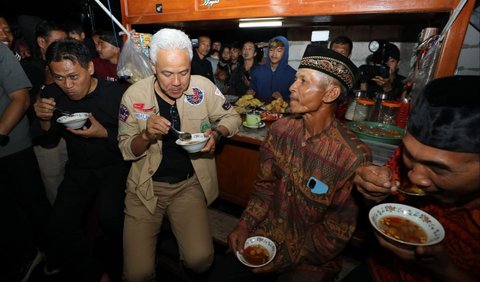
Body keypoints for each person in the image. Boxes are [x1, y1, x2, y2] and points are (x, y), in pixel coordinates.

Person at [209, 44, 371, 282]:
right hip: (266, 235)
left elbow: (336, 232)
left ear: (330, 93)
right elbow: (264, 187)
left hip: (312, 256)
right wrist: (245, 224)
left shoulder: (352, 156)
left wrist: (288, 255)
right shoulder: (280, 131)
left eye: (303, 81)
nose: (291, 87)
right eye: (296, 79)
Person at [118, 28, 241, 281]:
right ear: (153, 66)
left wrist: (217, 133)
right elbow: (125, 149)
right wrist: (146, 136)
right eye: (167, 73)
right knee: (137, 274)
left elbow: (232, 116)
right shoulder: (134, 96)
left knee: (200, 261)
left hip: (188, 186)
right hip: (145, 188)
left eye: (184, 72)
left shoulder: (203, 88)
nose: (177, 82)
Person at [351, 75, 479, 282]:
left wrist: (444, 270)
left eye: (439, 168)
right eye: (409, 155)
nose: (415, 176)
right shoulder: (408, 157)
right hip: (380, 270)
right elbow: (381, 206)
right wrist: (370, 192)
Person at [32, 39, 129, 281]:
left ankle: (125, 269)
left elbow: (136, 141)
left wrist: (104, 133)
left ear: (91, 68)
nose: (67, 85)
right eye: (59, 78)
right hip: (79, 169)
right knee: (59, 224)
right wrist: (44, 119)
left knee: (111, 219)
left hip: (114, 166)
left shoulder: (117, 94)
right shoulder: (52, 95)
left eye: (74, 76)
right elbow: (49, 137)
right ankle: (97, 275)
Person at [0, 42, 51, 282]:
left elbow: (21, 99)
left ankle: (53, 256)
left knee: (33, 205)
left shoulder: (1, 52)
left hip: (12, 146)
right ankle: (26, 255)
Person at [248, 36, 296, 101]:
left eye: (279, 51)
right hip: (259, 110)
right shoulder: (257, 71)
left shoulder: (292, 74)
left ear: (285, 53)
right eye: (271, 50)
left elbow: (296, 98)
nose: (274, 54)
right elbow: (252, 89)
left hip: (281, 110)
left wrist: (283, 98)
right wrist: (250, 92)